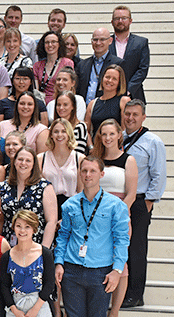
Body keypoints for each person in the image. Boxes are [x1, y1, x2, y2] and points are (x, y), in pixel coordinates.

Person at [54, 156, 130, 317]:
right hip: (72, 270)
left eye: (93, 171)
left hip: (101, 272)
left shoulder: (116, 205)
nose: (88, 175)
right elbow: (63, 236)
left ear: (101, 174)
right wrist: (59, 263)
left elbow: (122, 240)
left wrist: (117, 270)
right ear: (80, 173)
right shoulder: (69, 205)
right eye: (84, 171)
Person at [120, 100, 166, 308]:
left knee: (136, 249)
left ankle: (136, 294)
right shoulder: (118, 137)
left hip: (139, 202)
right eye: (127, 114)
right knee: (121, 248)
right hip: (118, 201)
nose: (130, 118)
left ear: (143, 117)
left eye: (135, 115)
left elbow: (159, 174)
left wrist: (148, 201)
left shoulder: (152, 141)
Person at [90, 118, 137, 315]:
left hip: (118, 216)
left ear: (119, 135)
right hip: (95, 214)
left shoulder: (129, 160)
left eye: (112, 133)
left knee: (120, 263)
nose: (108, 138)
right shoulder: (94, 158)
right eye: (104, 134)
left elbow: (131, 194)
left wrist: (116, 215)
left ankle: (114, 310)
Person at [0, 147, 57, 248]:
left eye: (28, 160)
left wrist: (44, 250)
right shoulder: (3, 186)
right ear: (14, 161)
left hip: (36, 245)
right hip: (9, 245)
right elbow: (0, 219)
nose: (23, 163)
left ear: (34, 164)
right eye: (20, 159)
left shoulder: (44, 187)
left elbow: (51, 222)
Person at [0, 210, 55, 317]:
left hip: (40, 304)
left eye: (27, 226)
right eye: (18, 226)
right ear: (13, 227)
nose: (22, 230)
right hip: (15, 305)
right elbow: (5, 286)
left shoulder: (45, 254)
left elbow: (49, 283)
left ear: (34, 229)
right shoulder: (7, 256)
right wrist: (14, 310)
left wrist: (35, 309)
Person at [39, 118, 86, 218]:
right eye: (56, 131)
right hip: (47, 209)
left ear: (69, 134)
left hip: (73, 209)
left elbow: (81, 191)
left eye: (64, 131)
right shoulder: (40, 159)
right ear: (51, 135)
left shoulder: (80, 158)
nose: (59, 135)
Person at [109, 5, 150, 103]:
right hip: (109, 95)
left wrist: (128, 89)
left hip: (133, 94)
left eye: (124, 18)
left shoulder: (141, 43)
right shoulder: (106, 42)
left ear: (130, 21)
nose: (120, 21)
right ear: (112, 22)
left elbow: (143, 69)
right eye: (117, 18)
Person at [75, 27, 123, 103]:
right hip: (84, 109)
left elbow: (121, 90)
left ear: (110, 41)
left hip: (106, 109)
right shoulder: (82, 65)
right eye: (95, 40)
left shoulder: (118, 63)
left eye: (102, 39)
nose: (98, 43)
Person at [85, 64, 131, 137]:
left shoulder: (124, 101)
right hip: (95, 146)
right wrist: (91, 147)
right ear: (102, 78)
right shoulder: (92, 104)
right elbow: (86, 131)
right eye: (107, 77)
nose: (110, 81)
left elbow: (124, 130)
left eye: (114, 79)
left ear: (119, 82)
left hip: (115, 146)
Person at [33, 31, 74, 104]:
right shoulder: (37, 66)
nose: (50, 45)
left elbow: (68, 88)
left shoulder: (67, 63)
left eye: (53, 42)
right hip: (41, 103)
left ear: (59, 44)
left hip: (60, 103)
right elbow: (36, 90)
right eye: (47, 42)